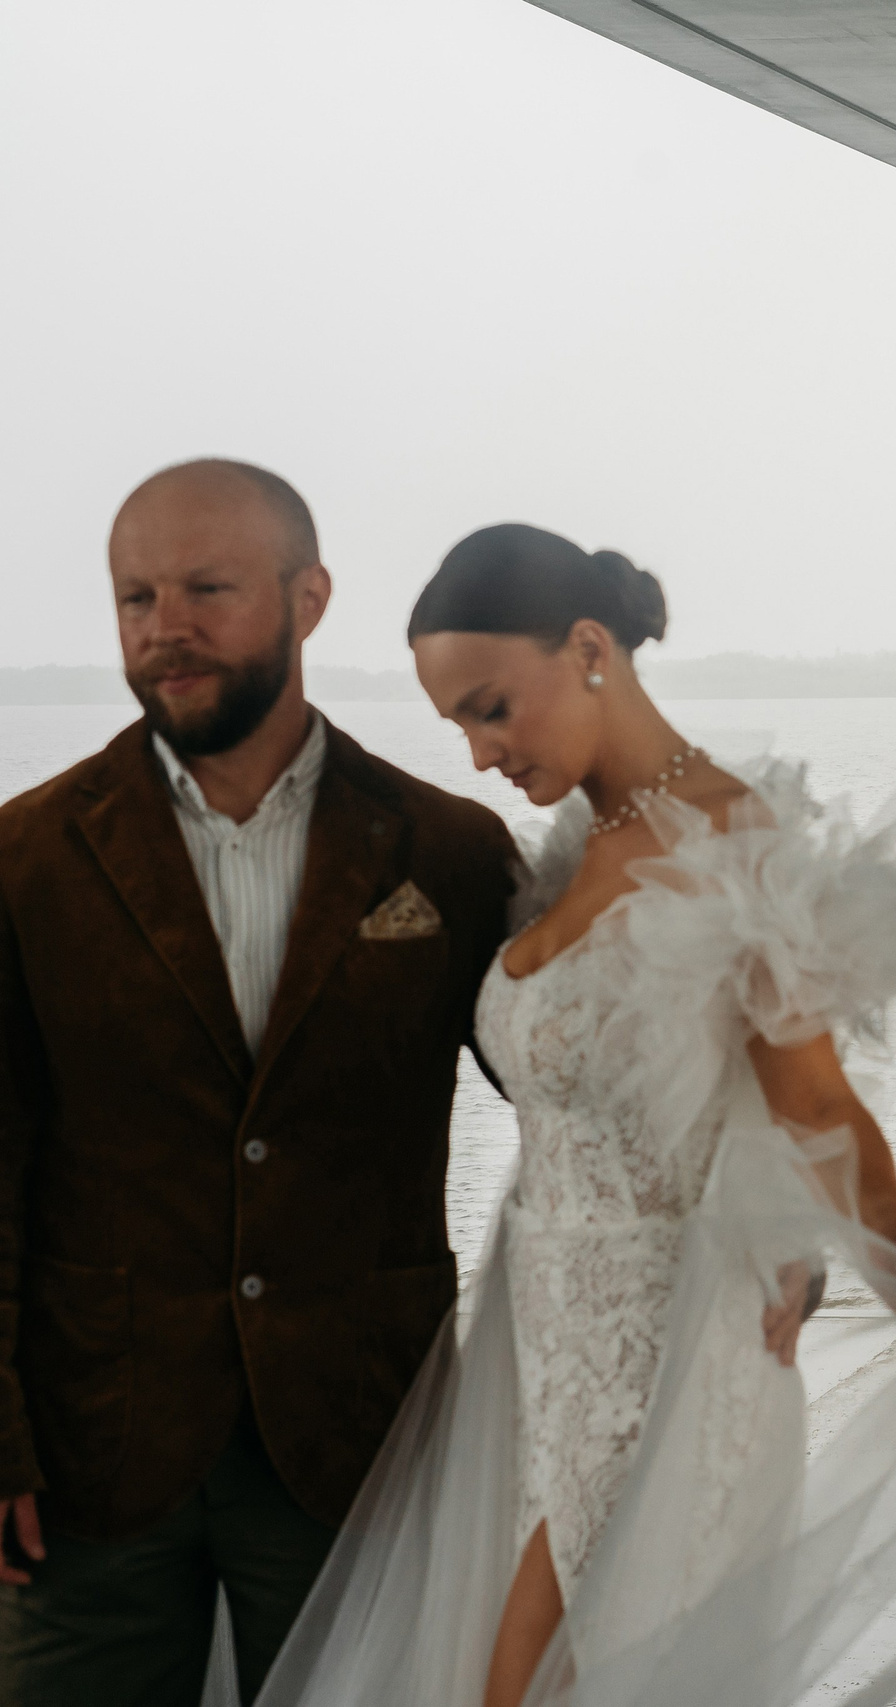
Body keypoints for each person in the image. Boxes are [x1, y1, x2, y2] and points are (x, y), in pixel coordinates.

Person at [245, 524, 896, 1707]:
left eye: (492, 707)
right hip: (533, 1338)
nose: (479, 748)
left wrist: (895, 1243)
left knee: (557, 1678)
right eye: (456, 722)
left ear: (591, 647)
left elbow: (806, 1091)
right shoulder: (576, 847)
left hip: (666, 1342)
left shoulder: (735, 844)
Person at [0, 460, 519, 1705]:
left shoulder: (449, 850)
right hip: (89, 1458)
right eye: (135, 596)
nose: (162, 626)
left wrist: (769, 1215)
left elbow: (582, 1091)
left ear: (309, 597)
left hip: (361, 1435)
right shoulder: (24, 859)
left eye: (207, 588)